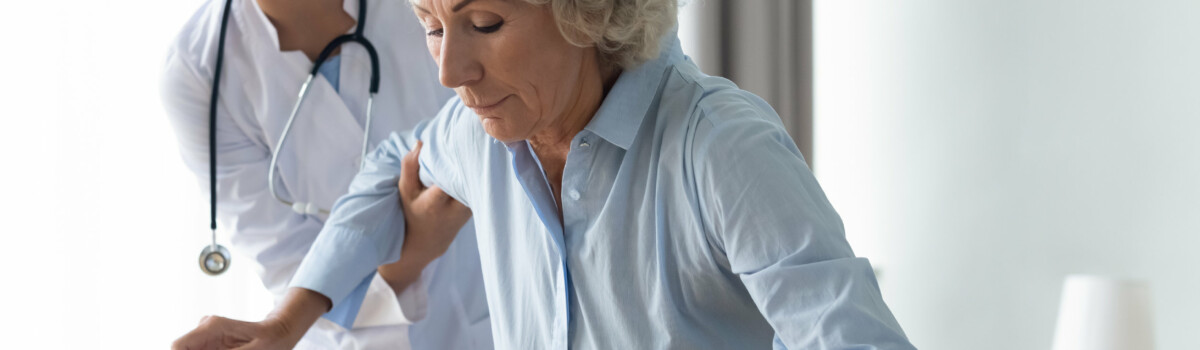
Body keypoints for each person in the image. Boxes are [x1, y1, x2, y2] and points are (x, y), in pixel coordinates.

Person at [174, 0, 917, 348]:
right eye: (432, 27)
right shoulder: (481, 136)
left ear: (585, 12)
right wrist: (285, 323)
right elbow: (383, 168)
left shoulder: (719, 148)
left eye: (485, 24)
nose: (449, 71)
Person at [160, 0, 491, 348]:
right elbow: (290, 266)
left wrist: (285, 324)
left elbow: (470, 134)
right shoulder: (197, 71)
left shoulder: (428, 8)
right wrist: (413, 253)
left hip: (497, 301)